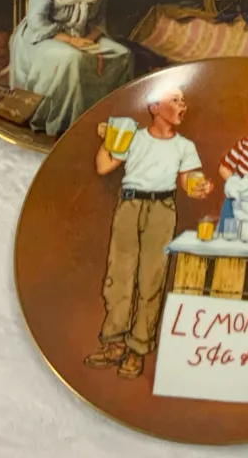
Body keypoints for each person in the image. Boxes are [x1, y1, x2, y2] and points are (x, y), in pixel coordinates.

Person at [86, 88, 212, 381]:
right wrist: (109, 139)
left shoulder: (184, 146)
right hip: (129, 206)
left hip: (162, 210)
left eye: (183, 100)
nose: (183, 105)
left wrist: (201, 188)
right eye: (175, 100)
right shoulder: (134, 138)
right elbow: (103, 166)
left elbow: (189, 182)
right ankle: (114, 343)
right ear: (154, 107)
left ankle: (137, 348)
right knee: (119, 275)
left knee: (151, 279)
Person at [9, 0, 134, 137]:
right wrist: (71, 41)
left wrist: (89, 40)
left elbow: (99, 23)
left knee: (124, 54)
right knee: (73, 58)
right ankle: (68, 121)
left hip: (82, 36)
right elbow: (37, 23)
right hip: (44, 37)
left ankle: (109, 114)